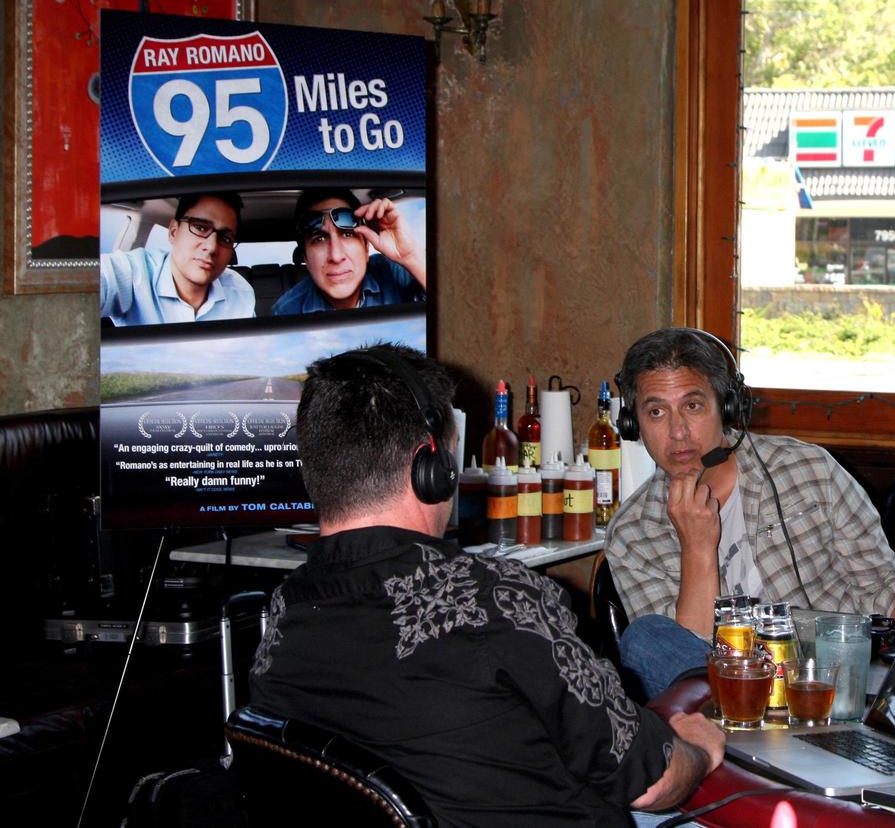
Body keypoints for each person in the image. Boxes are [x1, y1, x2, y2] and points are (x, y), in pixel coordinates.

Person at [249, 344, 723, 827]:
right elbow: (650, 783)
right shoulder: (497, 599)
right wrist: (700, 751)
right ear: (431, 469)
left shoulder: (283, 613)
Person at [605, 327, 895, 698]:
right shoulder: (631, 534)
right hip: (730, 711)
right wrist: (698, 547)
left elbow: (884, 590)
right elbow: (681, 666)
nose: (678, 432)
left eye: (693, 406)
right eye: (656, 412)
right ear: (632, 424)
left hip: (835, 690)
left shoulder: (808, 469)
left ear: (727, 407)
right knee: (646, 639)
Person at [99, 192, 255, 325]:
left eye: (226, 238)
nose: (212, 246)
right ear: (173, 232)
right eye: (200, 228)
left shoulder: (241, 293)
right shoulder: (133, 273)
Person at [271, 190, 427, 314]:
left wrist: (410, 257)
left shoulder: (393, 272)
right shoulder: (286, 311)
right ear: (305, 257)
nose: (336, 256)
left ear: (366, 247)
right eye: (319, 239)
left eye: (347, 234)